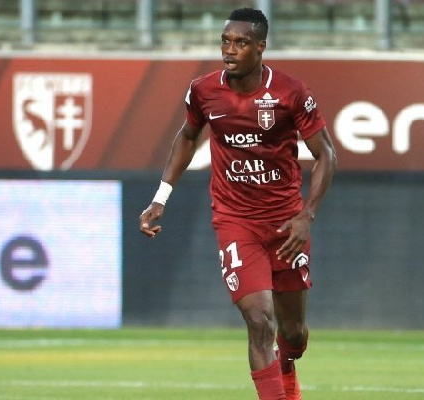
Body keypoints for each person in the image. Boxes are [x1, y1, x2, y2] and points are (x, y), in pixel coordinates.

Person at [139, 7, 337, 400]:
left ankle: (287, 363)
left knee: (293, 334)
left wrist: (306, 214)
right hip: (235, 221)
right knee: (259, 319)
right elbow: (186, 137)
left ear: (261, 47)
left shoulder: (290, 92)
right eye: (226, 41)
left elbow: (327, 154)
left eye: (241, 42)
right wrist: (161, 197)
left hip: (284, 225)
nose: (230, 50)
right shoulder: (204, 90)